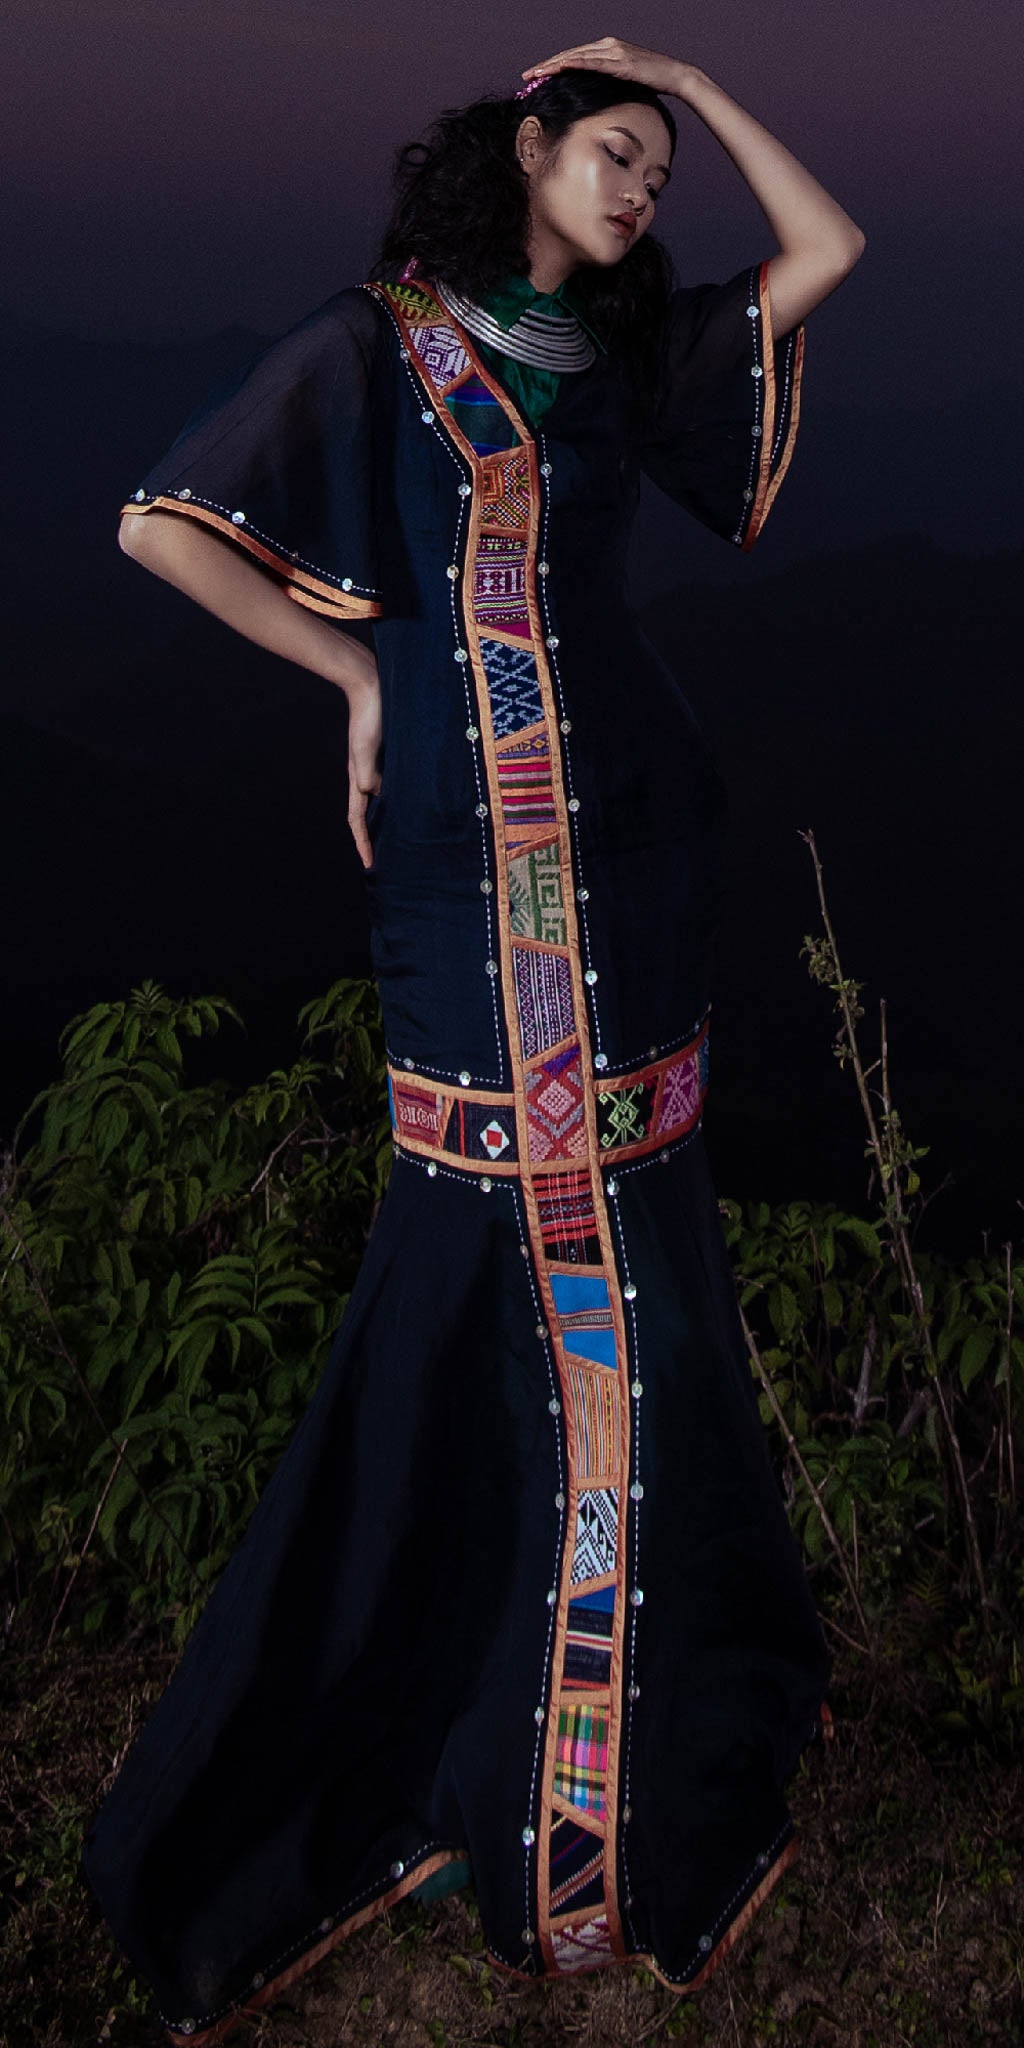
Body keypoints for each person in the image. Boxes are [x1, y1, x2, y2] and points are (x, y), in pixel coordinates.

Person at [80, 36, 864, 2043]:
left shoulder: (620, 353)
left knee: (631, 1250)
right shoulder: (385, 340)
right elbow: (163, 526)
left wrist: (680, 73)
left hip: (641, 834)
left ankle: (589, 1725)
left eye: (657, 170)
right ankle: (433, 1706)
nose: (640, 189)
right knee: (479, 1240)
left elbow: (828, 248)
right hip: (463, 849)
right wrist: (354, 673)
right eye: (613, 150)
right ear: (527, 148)